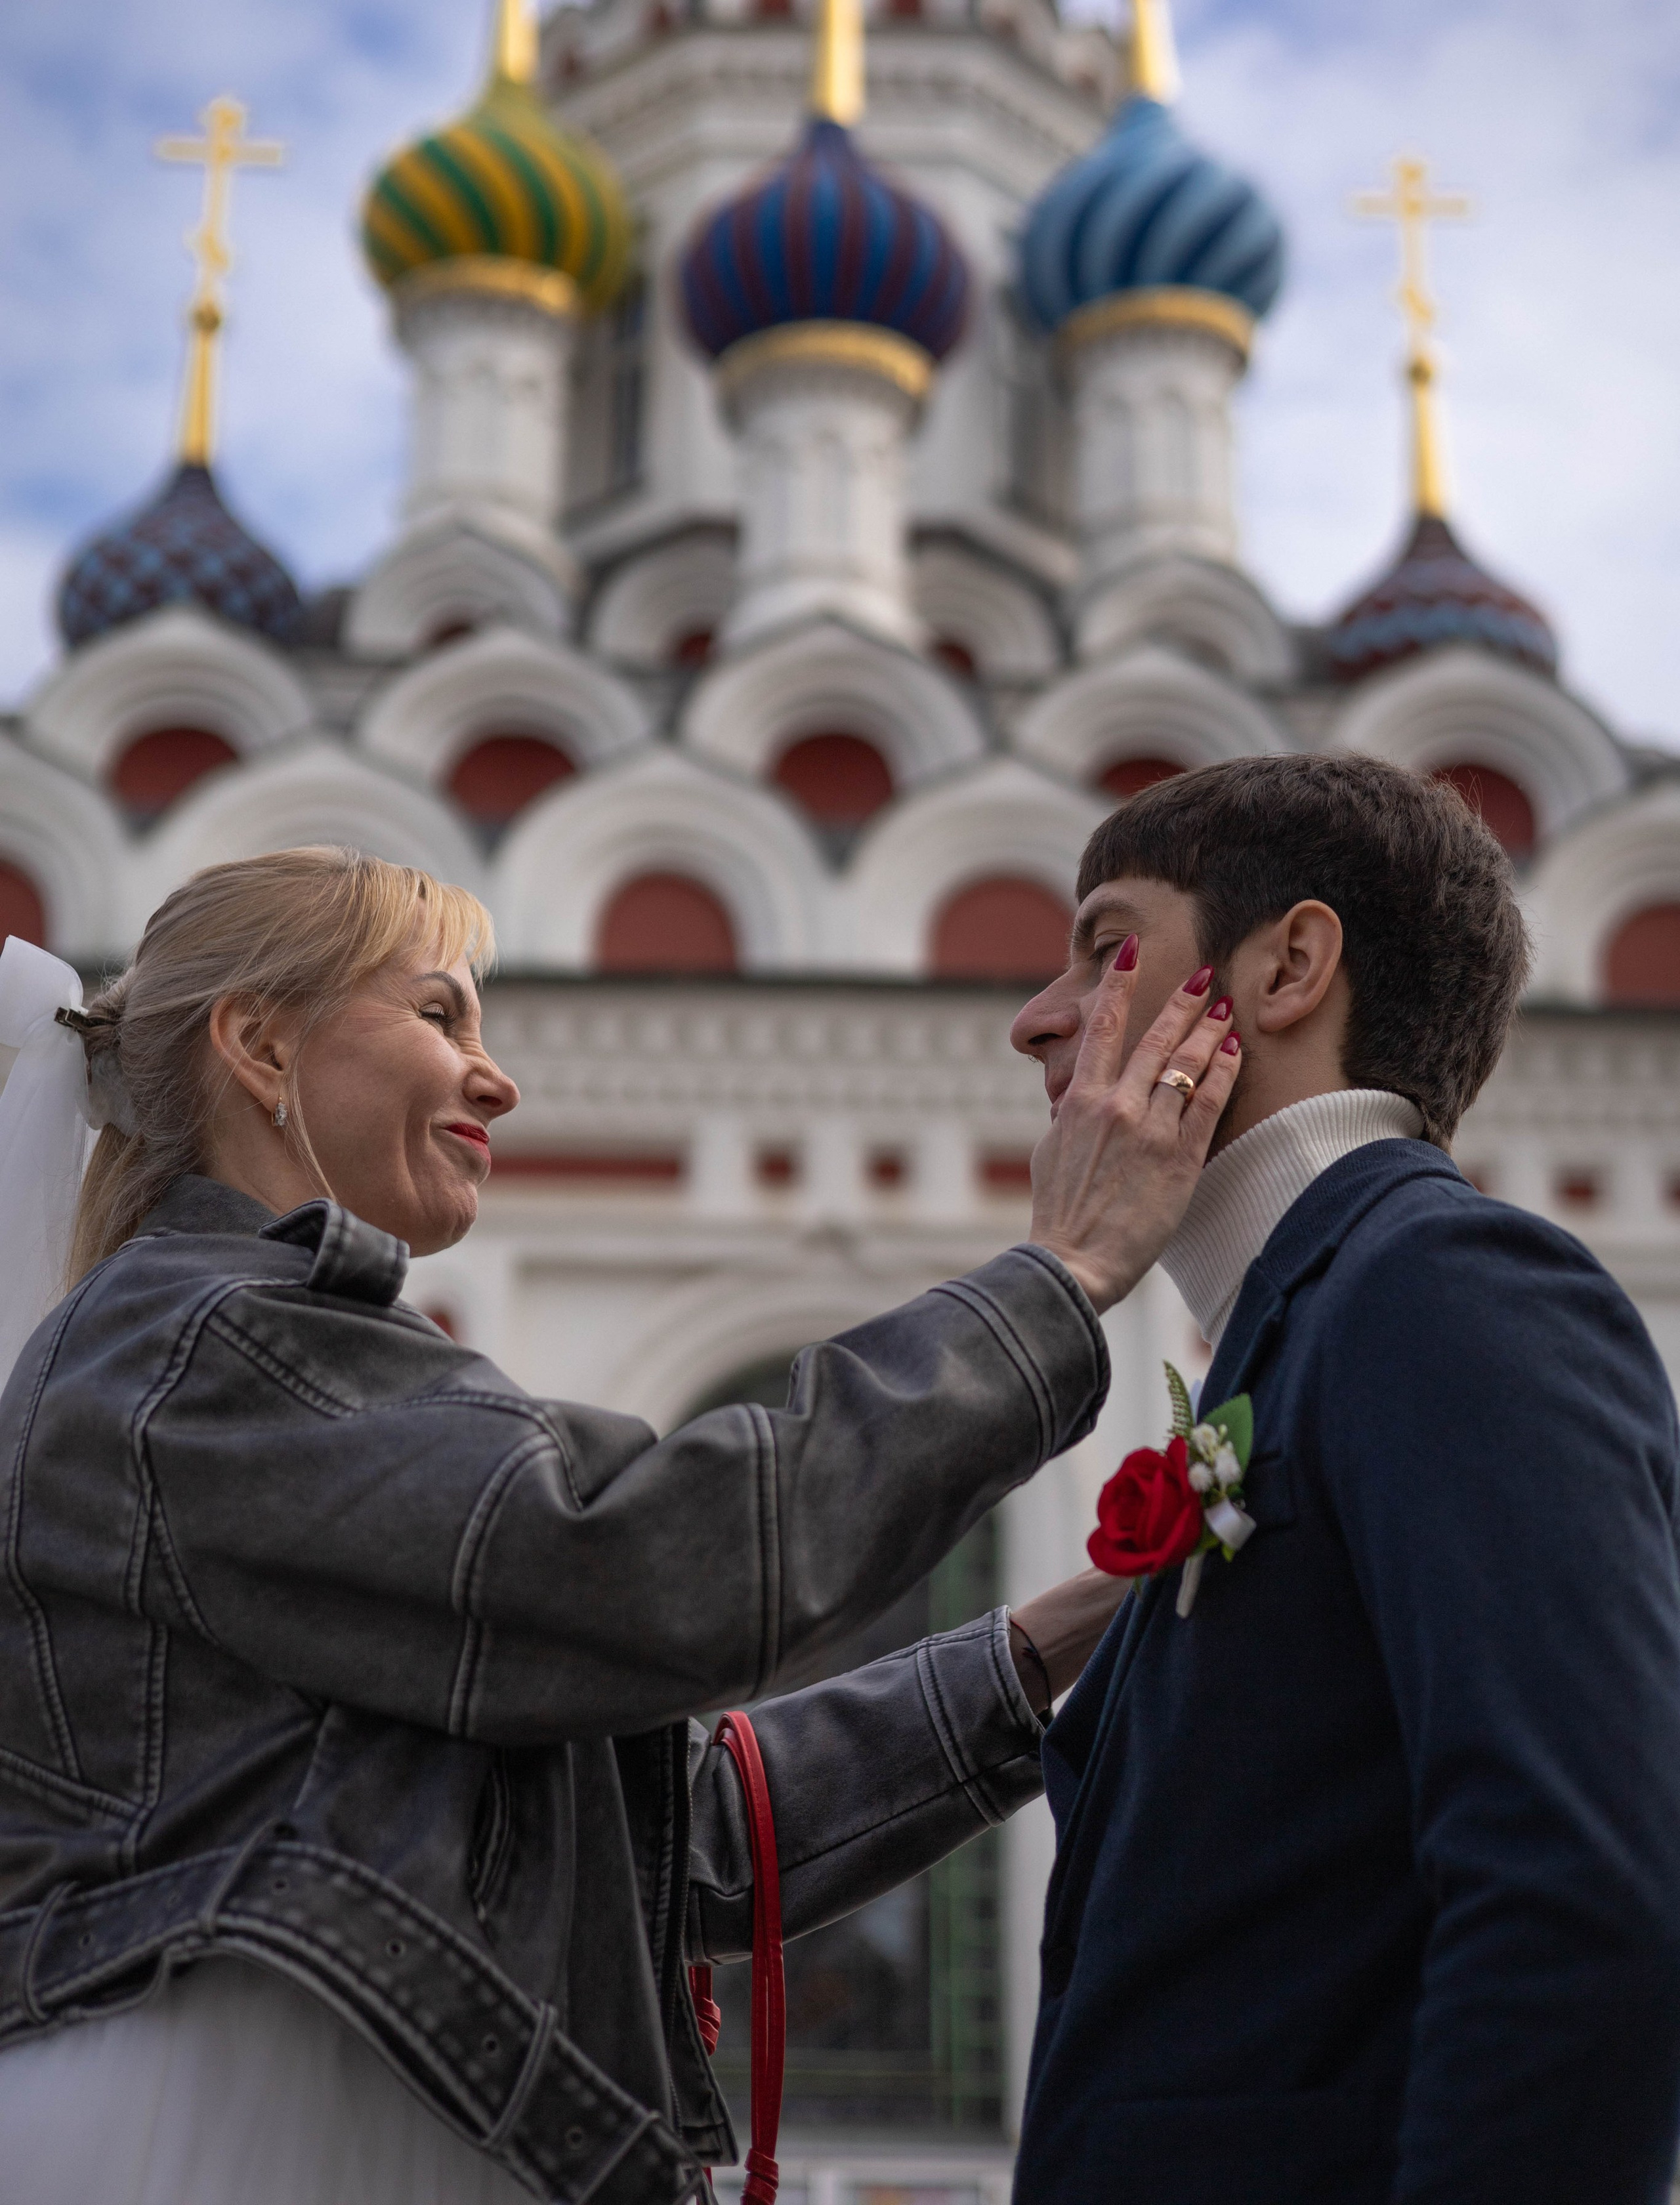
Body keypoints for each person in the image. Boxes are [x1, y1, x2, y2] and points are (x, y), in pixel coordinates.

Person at [0, 845, 1240, 2205]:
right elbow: (636, 1572)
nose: (498, 1076)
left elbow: (675, 1834)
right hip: (247, 2135)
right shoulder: (214, 1346)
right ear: (257, 1042)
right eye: (437, 1014)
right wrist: (1061, 1278)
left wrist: (1060, 1634)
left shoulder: (236, 1351)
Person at [1007, 753, 1680, 2205]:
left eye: (1104, 944)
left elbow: (1574, 1904)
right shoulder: (1305, 1330)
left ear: (1285, 966)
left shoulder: (1446, 1287)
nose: (1033, 1021)